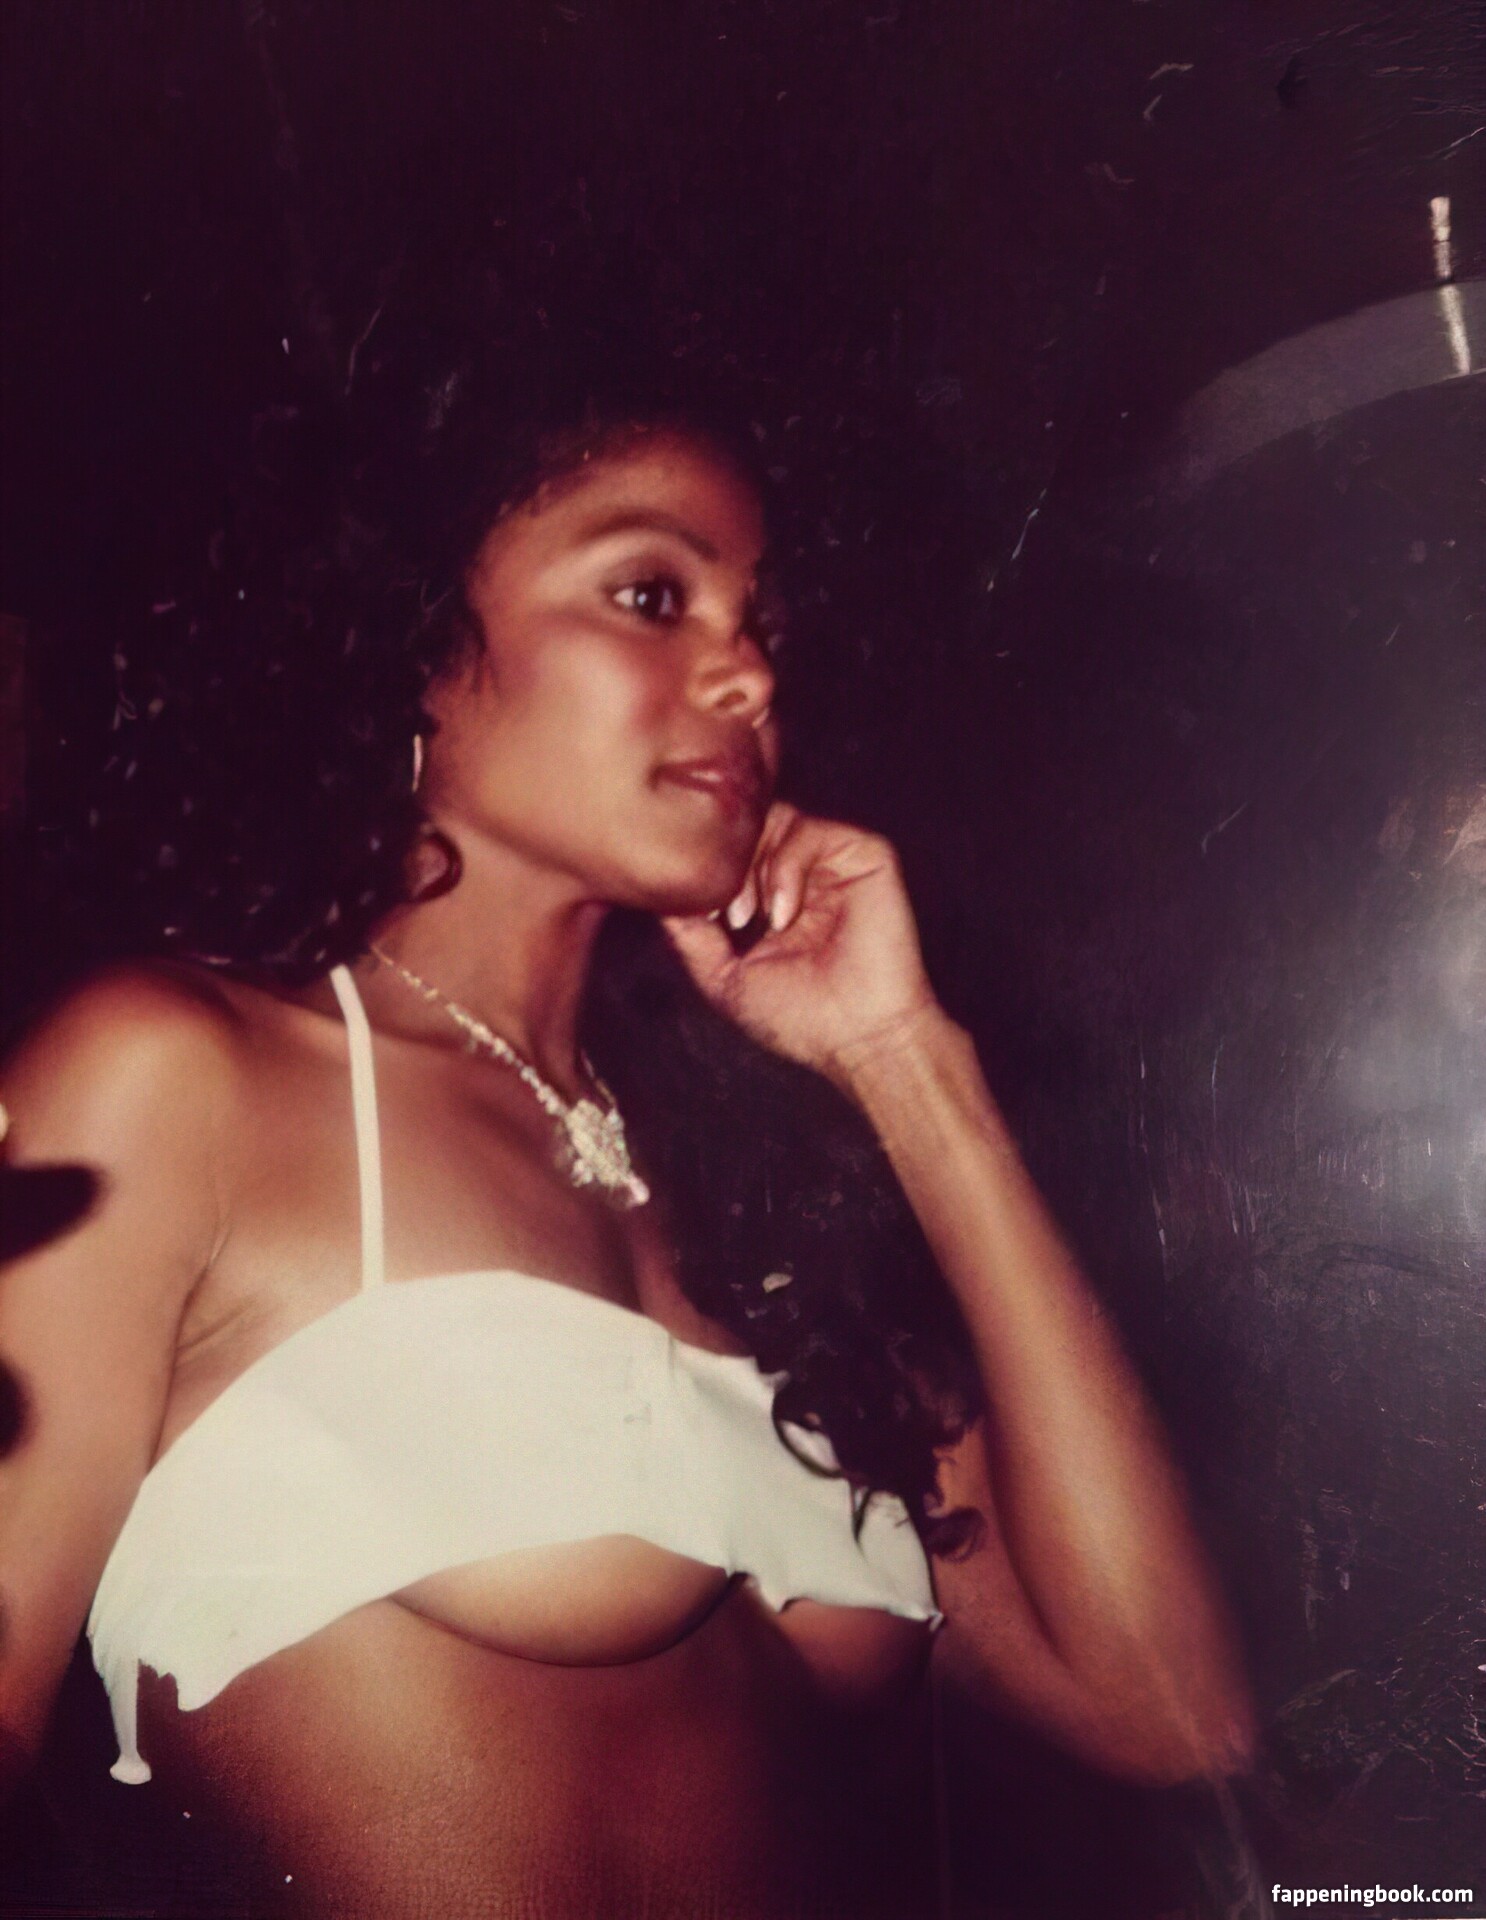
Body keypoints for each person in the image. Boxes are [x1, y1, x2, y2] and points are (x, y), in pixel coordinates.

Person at [0, 348, 1254, 1917]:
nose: (749, 679)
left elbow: (1166, 1713)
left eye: (762, 625)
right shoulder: (174, 1073)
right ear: (411, 638)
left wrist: (905, 1063)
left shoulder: (749, 1197)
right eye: (653, 596)